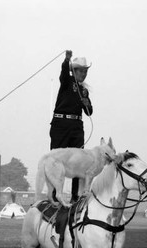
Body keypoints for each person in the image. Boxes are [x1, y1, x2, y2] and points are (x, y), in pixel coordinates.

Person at [49, 50, 93, 203]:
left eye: (85, 71)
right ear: (74, 71)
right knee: (56, 159)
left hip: (76, 126)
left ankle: (75, 195)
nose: (84, 73)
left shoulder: (84, 90)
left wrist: (87, 104)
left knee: (78, 160)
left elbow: (89, 112)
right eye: (81, 70)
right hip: (60, 124)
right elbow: (63, 72)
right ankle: (54, 194)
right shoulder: (67, 82)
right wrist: (66, 60)